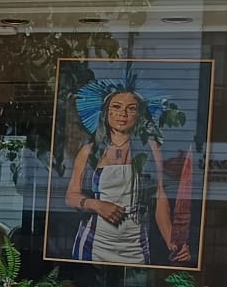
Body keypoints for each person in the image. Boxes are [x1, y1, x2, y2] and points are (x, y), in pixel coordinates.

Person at [64, 84, 189, 265]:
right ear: (106, 112)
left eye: (131, 109)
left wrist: (173, 241)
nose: (123, 114)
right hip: (94, 245)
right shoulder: (90, 151)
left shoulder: (150, 149)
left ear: (138, 115)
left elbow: (159, 198)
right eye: (116, 107)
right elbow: (71, 196)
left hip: (135, 247)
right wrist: (97, 205)